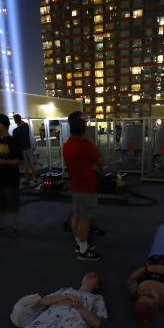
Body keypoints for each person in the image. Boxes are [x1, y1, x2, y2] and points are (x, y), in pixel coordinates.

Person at [62, 111, 102, 261]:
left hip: (75, 186)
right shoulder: (85, 145)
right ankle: (83, 252)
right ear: (83, 127)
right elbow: (100, 161)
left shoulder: (67, 144)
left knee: (77, 216)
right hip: (86, 187)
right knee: (85, 220)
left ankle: (80, 244)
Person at [0, 113, 23, 237]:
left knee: (12, 205)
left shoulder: (13, 141)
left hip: (11, 180)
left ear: (1, 125)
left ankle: (14, 227)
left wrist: (3, 161)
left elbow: (20, 161)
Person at [12, 113, 35, 186]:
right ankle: (34, 179)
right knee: (31, 165)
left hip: (21, 150)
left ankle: (27, 180)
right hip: (28, 148)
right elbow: (24, 124)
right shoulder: (26, 126)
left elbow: (14, 142)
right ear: (20, 119)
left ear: (15, 121)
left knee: (25, 166)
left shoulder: (15, 131)